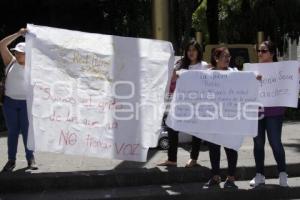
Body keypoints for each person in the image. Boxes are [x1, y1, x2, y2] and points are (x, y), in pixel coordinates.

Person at [158, 40, 208, 167]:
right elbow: (173, 78)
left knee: (196, 131)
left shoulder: (204, 66)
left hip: (197, 104)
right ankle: (172, 159)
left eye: (194, 50)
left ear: (198, 52)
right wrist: (172, 65)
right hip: (181, 104)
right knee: (172, 128)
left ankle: (194, 158)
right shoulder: (180, 64)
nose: (191, 53)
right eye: (189, 50)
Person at [249, 41, 288, 187]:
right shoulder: (253, 69)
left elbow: (290, 82)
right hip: (257, 111)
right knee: (258, 143)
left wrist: (296, 74)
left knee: (275, 142)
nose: (260, 53)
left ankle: (282, 172)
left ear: (272, 53)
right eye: (259, 50)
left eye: (264, 51)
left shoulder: (281, 69)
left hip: (275, 111)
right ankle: (259, 174)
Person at [0, 28, 38, 172]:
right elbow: (2, 45)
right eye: (16, 52)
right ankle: (11, 160)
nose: (17, 54)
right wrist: (18, 34)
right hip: (10, 102)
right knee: (12, 132)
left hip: (26, 103)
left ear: (27, 54)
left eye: (20, 53)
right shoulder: (10, 62)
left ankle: (30, 158)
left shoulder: (34, 65)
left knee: (27, 132)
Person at [202, 47, 239, 189]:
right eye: (224, 56)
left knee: (231, 147)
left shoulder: (234, 73)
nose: (227, 58)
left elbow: (247, 81)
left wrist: (255, 77)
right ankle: (215, 177)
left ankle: (231, 178)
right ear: (216, 58)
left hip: (230, 118)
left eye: (229, 56)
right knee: (214, 148)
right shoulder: (207, 74)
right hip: (213, 118)